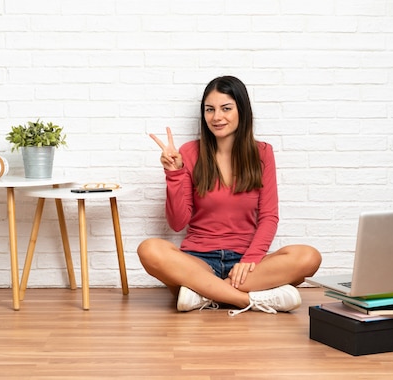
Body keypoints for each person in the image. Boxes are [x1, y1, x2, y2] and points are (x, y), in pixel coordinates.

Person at [137, 76, 322, 316]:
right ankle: (249, 300)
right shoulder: (189, 152)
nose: (217, 117)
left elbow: (269, 216)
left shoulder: (262, 153)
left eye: (226, 108)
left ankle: (204, 295)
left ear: (241, 111)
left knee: (308, 257)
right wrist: (174, 174)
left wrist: (250, 259)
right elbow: (177, 223)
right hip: (198, 261)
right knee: (149, 249)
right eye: (210, 110)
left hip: (247, 263)